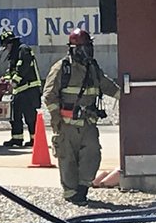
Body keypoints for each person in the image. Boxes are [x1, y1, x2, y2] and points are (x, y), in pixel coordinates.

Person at [42, 28, 121, 205]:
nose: (87, 51)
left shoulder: (92, 68)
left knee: (92, 154)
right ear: (74, 49)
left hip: (88, 124)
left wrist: (126, 96)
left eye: (89, 46)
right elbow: (49, 96)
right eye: (84, 47)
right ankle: (71, 194)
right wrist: (57, 121)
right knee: (67, 159)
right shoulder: (62, 68)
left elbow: (106, 85)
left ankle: (83, 188)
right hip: (67, 125)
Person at [0, 29, 41, 148]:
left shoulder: (24, 50)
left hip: (29, 88)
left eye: (6, 46)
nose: (6, 49)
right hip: (20, 90)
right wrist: (5, 79)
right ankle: (17, 139)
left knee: (30, 116)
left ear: (10, 43)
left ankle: (35, 139)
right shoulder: (14, 54)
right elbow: (12, 70)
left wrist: (14, 82)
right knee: (15, 115)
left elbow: (23, 67)